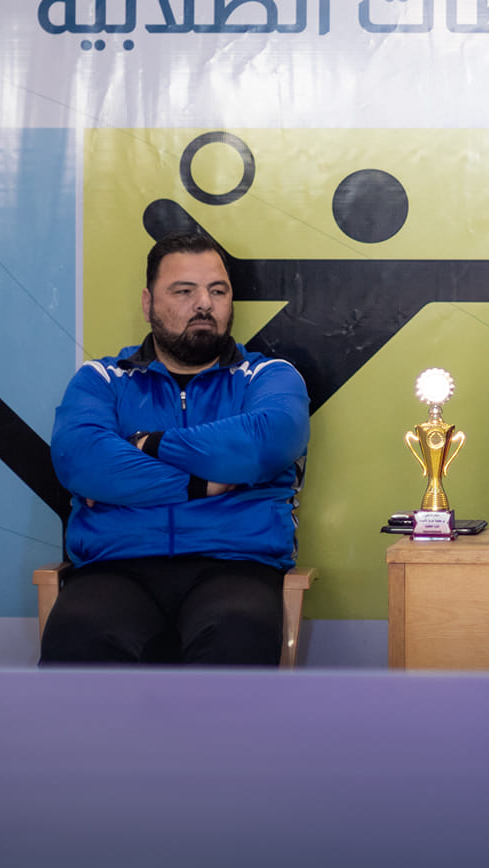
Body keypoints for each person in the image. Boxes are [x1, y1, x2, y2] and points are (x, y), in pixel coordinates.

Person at [42, 232, 310, 665]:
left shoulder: (268, 376)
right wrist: (203, 484)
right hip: (116, 565)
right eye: (184, 291)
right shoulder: (102, 379)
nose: (204, 304)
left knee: (237, 633)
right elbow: (84, 460)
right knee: (79, 634)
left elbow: (262, 443)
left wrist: (147, 444)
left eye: (218, 291)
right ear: (148, 303)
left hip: (236, 563)